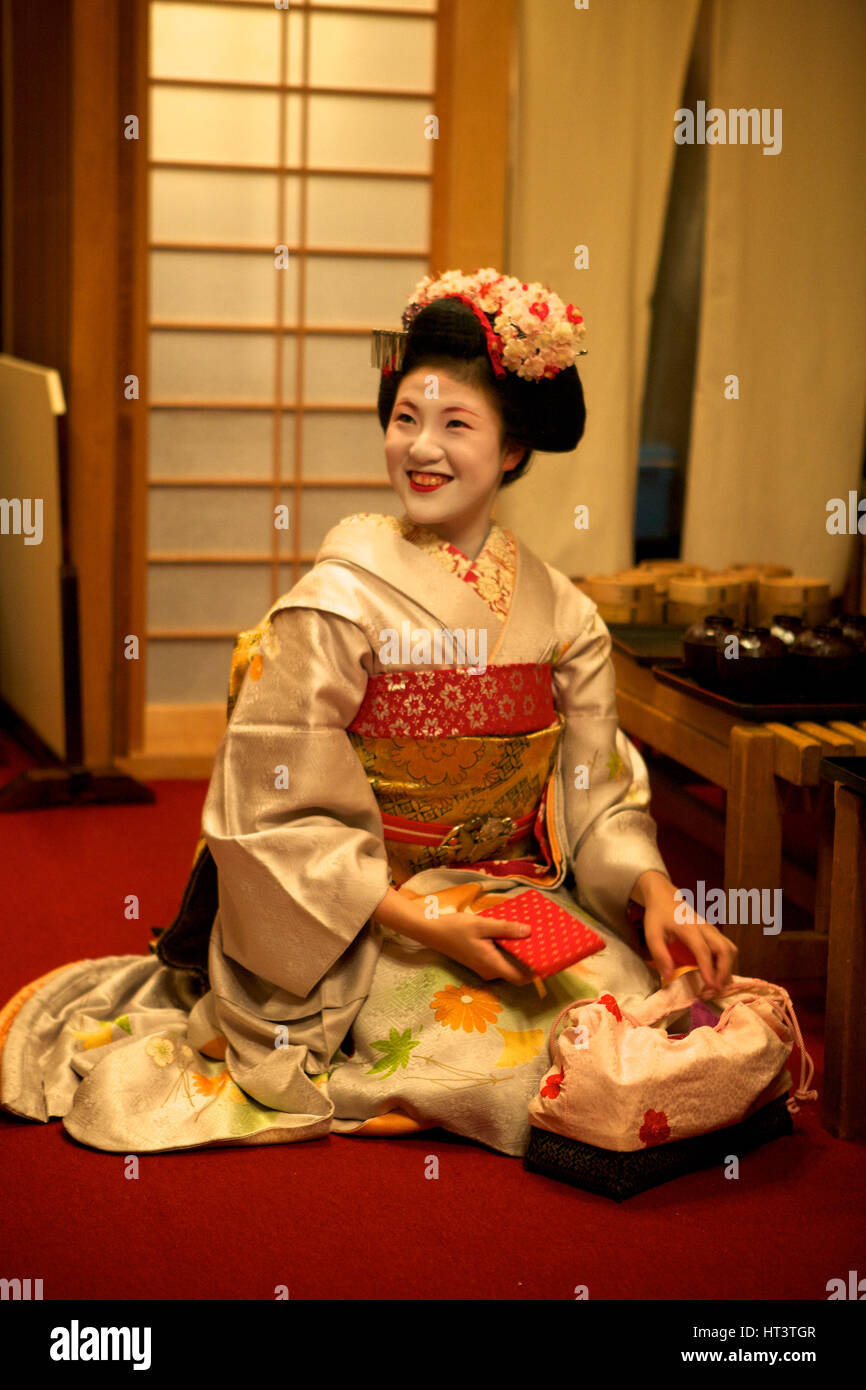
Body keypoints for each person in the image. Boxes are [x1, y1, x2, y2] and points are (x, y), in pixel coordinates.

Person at [0, 268, 737, 1158]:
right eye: (404, 420)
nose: (421, 449)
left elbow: (596, 789)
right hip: (359, 914)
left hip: (512, 895)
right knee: (490, 1058)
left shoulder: (564, 614)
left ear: (512, 450)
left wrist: (655, 890)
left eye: (456, 425)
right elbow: (271, 802)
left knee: (648, 1022)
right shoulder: (337, 602)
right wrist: (423, 920)